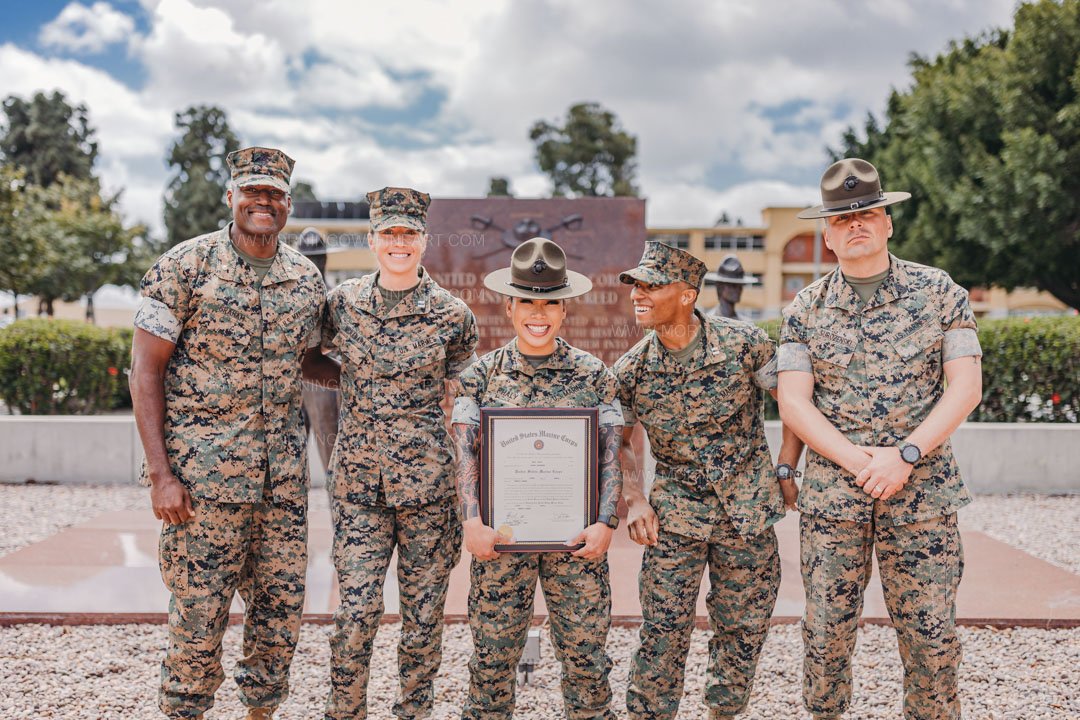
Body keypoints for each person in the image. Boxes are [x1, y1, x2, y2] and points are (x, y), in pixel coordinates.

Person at [777, 158, 983, 720]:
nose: (855, 225)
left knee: (932, 637)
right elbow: (793, 400)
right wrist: (860, 462)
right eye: (842, 219)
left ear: (888, 222)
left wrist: (905, 456)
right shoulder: (805, 309)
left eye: (866, 213)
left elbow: (965, 388)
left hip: (922, 497)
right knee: (824, 636)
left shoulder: (941, 292)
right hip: (833, 500)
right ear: (826, 234)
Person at [130, 147, 326, 720]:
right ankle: (185, 711)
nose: (262, 202)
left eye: (273, 194)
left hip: (281, 488)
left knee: (280, 614)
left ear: (287, 202)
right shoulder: (185, 266)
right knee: (198, 616)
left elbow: (306, 360)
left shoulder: (304, 277)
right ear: (231, 197)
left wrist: (378, 371)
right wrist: (160, 475)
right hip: (202, 488)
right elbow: (146, 371)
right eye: (252, 192)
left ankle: (260, 712)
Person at [614, 240, 803, 720]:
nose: (638, 294)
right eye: (635, 285)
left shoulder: (746, 344)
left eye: (651, 285)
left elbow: (796, 403)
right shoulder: (632, 369)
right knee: (662, 631)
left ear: (687, 294)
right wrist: (634, 498)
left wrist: (785, 464)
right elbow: (618, 439)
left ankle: (725, 712)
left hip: (748, 513)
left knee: (742, 632)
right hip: (675, 518)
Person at [320, 187, 478, 719]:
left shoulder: (452, 315)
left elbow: (464, 394)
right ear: (371, 240)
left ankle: (414, 711)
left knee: (424, 617)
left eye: (408, 233)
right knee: (357, 612)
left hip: (428, 488)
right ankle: (345, 711)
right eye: (388, 233)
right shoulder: (342, 304)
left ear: (424, 241)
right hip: (361, 486)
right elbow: (313, 364)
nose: (398, 242)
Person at [451, 237, 623, 720]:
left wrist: (606, 521)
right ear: (509, 305)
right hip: (501, 542)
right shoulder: (480, 378)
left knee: (588, 664)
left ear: (564, 309)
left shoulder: (594, 376)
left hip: (577, 542)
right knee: (490, 666)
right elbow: (464, 450)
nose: (538, 313)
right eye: (527, 300)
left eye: (549, 303)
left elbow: (613, 453)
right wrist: (472, 521)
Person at [293, 226, 341, 473]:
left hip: (322, 380)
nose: (315, 262)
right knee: (290, 459)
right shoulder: (288, 294)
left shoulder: (334, 296)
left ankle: (336, 509)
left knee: (330, 451)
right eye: (310, 258)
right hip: (292, 379)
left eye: (319, 257)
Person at [703, 254, 759, 320]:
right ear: (720, 287)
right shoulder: (708, 321)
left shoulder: (746, 323)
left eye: (740, 286)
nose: (738, 290)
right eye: (733, 285)